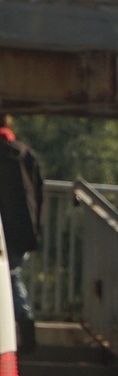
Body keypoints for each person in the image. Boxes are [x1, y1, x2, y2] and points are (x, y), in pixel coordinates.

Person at [0, 116, 39, 333]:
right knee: (12, 273)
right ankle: (24, 317)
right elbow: (38, 191)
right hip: (22, 229)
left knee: (9, 275)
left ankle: (22, 316)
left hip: (2, 228)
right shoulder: (24, 154)